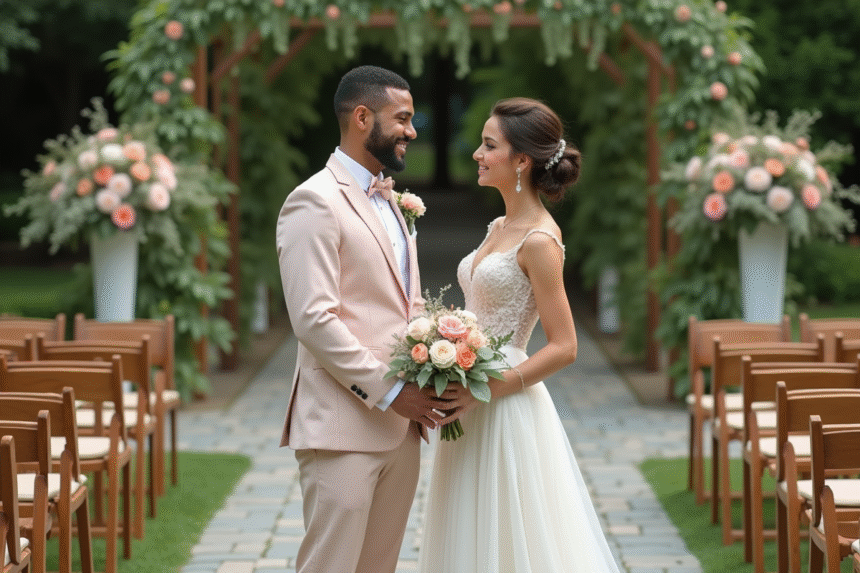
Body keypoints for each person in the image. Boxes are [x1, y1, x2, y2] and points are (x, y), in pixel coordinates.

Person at [418, 97, 623, 572]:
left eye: (489, 145)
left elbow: (565, 346)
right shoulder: (499, 226)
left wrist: (485, 389)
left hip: (504, 399)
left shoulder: (539, 242)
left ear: (522, 161)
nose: (477, 154)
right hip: (470, 389)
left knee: (511, 533)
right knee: (470, 530)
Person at [276, 65, 465, 573]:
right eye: (401, 118)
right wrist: (391, 391)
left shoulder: (394, 203)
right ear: (362, 117)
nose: (412, 130)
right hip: (343, 426)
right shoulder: (314, 200)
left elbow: (411, 305)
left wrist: (436, 369)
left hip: (402, 429)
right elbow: (314, 319)